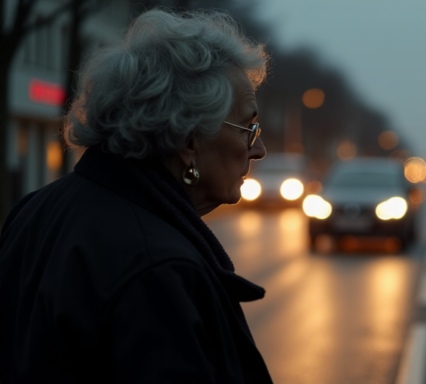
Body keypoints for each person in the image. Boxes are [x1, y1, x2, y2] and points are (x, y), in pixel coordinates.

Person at [0, 8, 273, 383]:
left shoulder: (34, 210)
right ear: (189, 141)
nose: (257, 150)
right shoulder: (160, 272)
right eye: (248, 126)